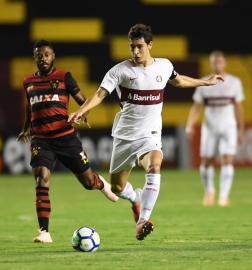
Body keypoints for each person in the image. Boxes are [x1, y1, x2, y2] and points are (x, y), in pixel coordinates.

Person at [68, 24, 223, 241]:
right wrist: (81, 110)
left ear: (150, 45)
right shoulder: (119, 71)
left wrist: (205, 82)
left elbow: (178, 80)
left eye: (140, 46)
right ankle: (135, 198)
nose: (135, 52)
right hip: (124, 137)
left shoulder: (164, 66)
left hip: (149, 136)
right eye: (132, 47)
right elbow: (100, 94)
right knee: (118, 187)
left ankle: (143, 220)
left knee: (155, 164)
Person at [17, 40, 118, 243]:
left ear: (53, 56)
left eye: (46, 54)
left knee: (88, 182)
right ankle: (44, 231)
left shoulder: (64, 77)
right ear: (35, 57)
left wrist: (83, 112)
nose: (43, 58)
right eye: (39, 55)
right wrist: (27, 127)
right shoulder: (28, 82)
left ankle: (101, 183)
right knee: (41, 179)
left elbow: (82, 98)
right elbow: (30, 107)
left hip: (65, 137)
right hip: (41, 139)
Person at [185, 51, 245, 207]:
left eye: (220, 61)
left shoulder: (234, 82)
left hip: (228, 127)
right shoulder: (204, 83)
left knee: (228, 159)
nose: (218, 63)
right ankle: (209, 191)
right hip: (210, 127)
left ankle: (224, 196)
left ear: (225, 63)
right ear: (211, 64)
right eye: (214, 61)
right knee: (206, 161)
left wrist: (241, 129)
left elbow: (239, 107)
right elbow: (197, 107)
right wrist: (190, 124)